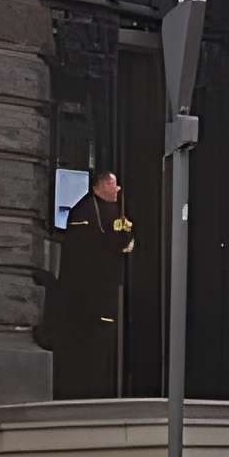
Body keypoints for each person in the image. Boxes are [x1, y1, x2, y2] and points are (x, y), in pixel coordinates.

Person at [43, 170, 138, 398]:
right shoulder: (84, 212)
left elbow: (126, 244)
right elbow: (100, 248)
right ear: (102, 184)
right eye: (114, 185)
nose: (118, 190)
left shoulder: (111, 210)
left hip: (102, 290)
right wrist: (120, 237)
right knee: (90, 346)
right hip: (86, 296)